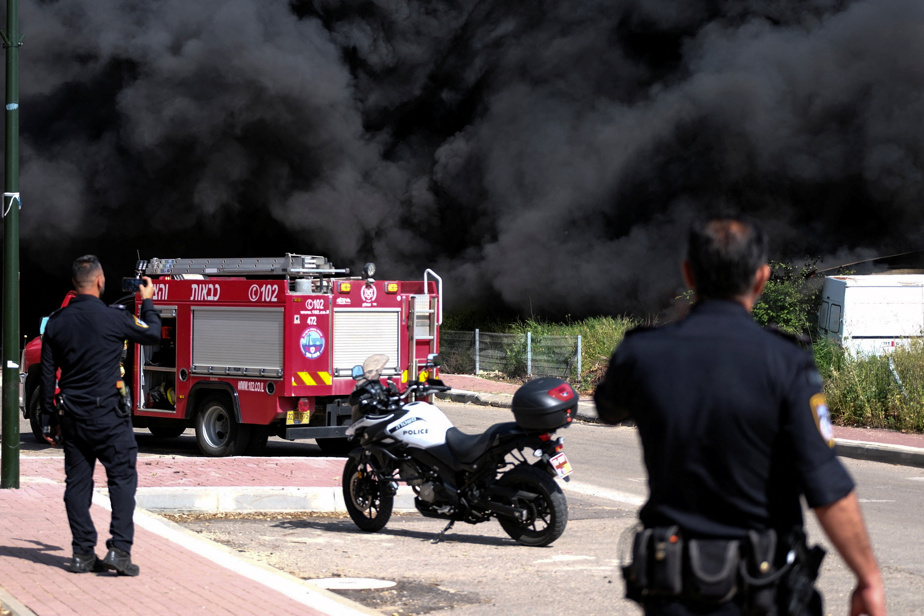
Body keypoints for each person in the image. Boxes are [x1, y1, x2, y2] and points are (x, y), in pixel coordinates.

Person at [594, 217, 886, 616]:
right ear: (762, 278)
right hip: (763, 593)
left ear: (688, 274)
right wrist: (867, 578)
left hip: (673, 594)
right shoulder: (785, 362)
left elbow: (609, 408)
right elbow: (826, 485)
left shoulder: (641, 354)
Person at [40, 255, 161, 576]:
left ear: (74, 285)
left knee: (77, 486)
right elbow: (152, 333)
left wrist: (49, 418)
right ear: (99, 281)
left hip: (72, 417)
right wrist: (146, 302)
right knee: (122, 480)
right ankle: (119, 551)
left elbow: (48, 375)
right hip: (109, 415)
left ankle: (82, 553)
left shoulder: (56, 323)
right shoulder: (114, 318)